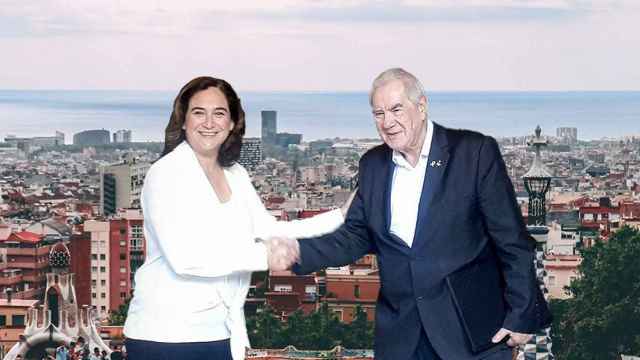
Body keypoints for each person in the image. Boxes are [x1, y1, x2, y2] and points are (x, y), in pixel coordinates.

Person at [274, 68, 552, 360]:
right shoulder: (373, 164)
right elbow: (355, 236)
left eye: (396, 109)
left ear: (421, 106)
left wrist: (521, 316)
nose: (388, 122)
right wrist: (296, 252)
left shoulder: (473, 152)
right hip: (402, 338)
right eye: (378, 113)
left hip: (472, 333)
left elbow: (511, 239)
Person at [122, 76, 351, 360]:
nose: (209, 123)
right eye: (198, 113)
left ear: (232, 123)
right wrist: (264, 258)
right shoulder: (166, 174)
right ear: (182, 121)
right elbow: (185, 258)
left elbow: (269, 228)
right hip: (164, 336)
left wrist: (340, 216)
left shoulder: (235, 174)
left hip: (219, 333)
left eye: (219, 113)